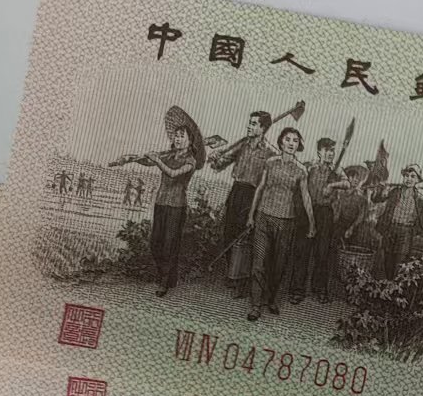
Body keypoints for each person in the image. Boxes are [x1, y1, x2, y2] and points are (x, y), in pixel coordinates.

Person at [108, 106, 203, 296]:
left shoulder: (191, 161)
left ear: (190, 140)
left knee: (169, 245)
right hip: (161, 203)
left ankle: (165, 282)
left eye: (181, 136)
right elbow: (148, 161)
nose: (177, 139)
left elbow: (173, 173)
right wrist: (131, 159)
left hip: (176, 206)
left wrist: (158, 160)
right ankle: (169, 276)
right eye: (175, 136)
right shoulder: (169, 154)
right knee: (155, 243)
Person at [244, 127, 315, 321]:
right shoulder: (270, 162)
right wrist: (251, 215)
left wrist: (312, 223)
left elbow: (306, 197)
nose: (291, 143)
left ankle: (271, 299)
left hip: (286, 222)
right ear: (281, 142)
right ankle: (255, 305)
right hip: (263, 217)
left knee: (279, 264)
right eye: (288, 139)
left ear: (298, 145)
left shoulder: (301, 170)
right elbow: (260, 188)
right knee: (258, 262)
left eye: (295, 140)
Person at [209, 110, 273, 297]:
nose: (249, 126)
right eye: (250, 123)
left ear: (263, 128)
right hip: (236, 191)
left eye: (254, 124)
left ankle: (242, 282)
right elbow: (219, 165)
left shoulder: (270, 152)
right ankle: (232, 274)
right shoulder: (242, 146)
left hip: (253, 195)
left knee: (244, 237)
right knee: (229, 233)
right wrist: (214, 158)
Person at [370, 164, 423, 279]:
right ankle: (388, 284)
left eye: (413, 176)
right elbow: (376, 199)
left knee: (400, 263)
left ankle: (395, 286)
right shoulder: (394, 192)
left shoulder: (421, 199)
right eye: (406, 175)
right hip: (390, 230)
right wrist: (380, 189)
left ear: (417, 180)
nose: (409, 179)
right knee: (388, 261)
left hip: (406, 233)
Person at [301, 137, 350, 303]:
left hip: (325, 213)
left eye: (332, 151)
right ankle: (297, 289)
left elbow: (347, 184)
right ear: (319, 152)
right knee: (303, 250)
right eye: (327, 150)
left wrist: (331, 186)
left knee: (322, 252)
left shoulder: (336, 170)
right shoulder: (310, 167)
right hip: (308, 210)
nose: (330, 154)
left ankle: (320, 289)